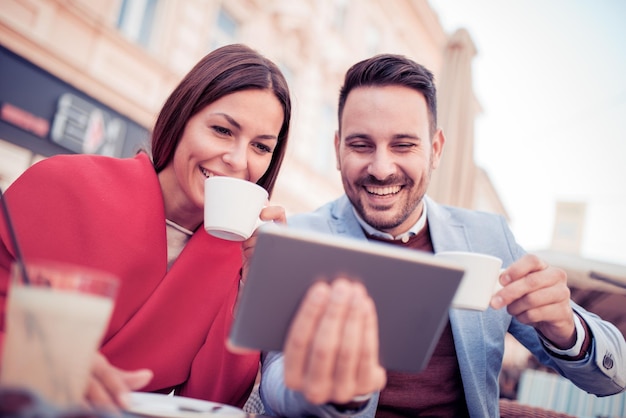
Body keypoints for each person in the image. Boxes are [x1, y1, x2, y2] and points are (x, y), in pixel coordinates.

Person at [0, 43, 378, 414]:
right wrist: (46, 371)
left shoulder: (240, 258)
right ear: (182, 118)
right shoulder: (64, 185)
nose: (237, 160)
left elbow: (214, 400)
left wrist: (255, 288)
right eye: (222, 130)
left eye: (261, 147)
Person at [259, 53, 626, 417]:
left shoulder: (488, 237)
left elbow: (613, 378)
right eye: (361, 145)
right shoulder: (300, 237)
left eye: (403, 145)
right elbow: (274, 382)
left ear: (435, 150)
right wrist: (323, 391)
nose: (382, 168)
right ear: (338, 149)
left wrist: (568, 330)